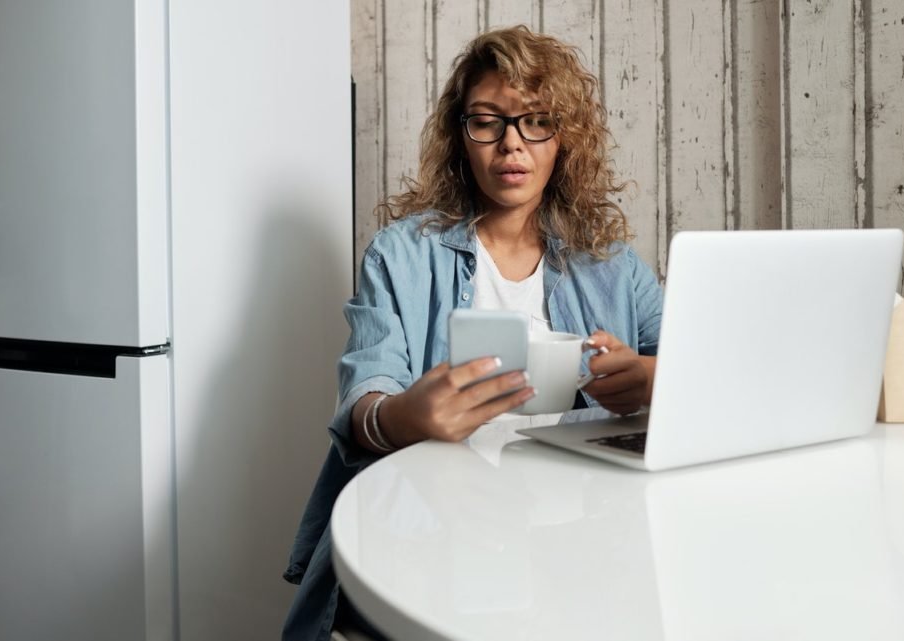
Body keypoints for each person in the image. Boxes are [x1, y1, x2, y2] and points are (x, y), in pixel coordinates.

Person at [282, 25, 663, 641]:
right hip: (430, 536)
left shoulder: (613, 266)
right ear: (461, 137)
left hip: (579, 539)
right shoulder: (401, 255)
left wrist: (650, 378)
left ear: (563, 138)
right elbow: (364, 394)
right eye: (486, 122)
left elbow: (700, 369)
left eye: (535, 120)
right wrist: (405, 416)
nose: (511, 144)